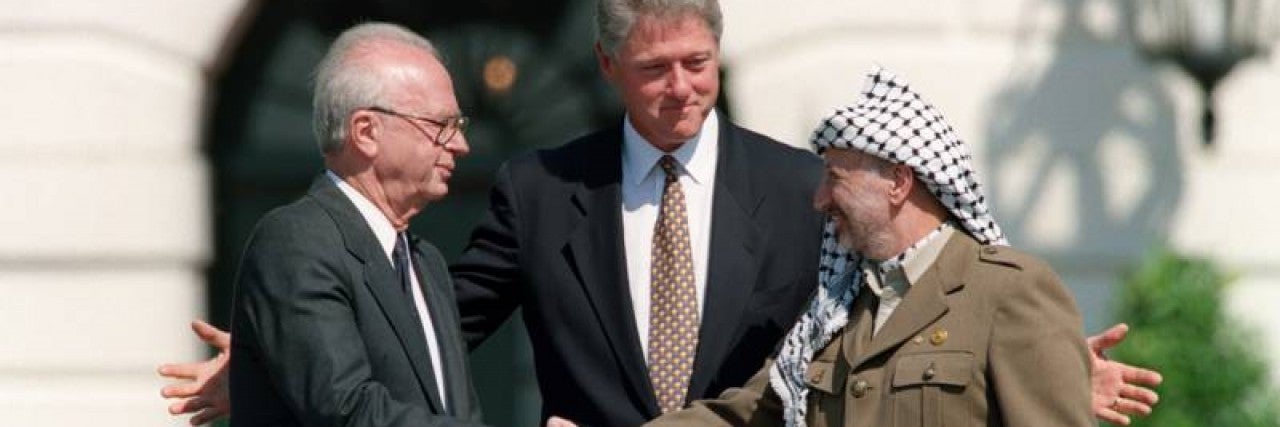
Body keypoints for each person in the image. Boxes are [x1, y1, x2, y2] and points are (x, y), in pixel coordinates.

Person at [160, 1, 1162, 426]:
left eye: (698, 63)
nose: (681, 87)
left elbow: (887, 316)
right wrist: (270, 359)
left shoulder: (793, 184)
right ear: (607, 68)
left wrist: (1044, 363)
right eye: (654, 68)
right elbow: (429, 322)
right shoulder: (542, 187)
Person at [624, 67, 1096, 427]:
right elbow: (743, 416)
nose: (819, 198)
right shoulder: (836, 308)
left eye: (835, 178)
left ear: (897, 182)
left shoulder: (1008, 292)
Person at [222, 22, 486, 426]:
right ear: (366, 132)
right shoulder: (297, 241)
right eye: (441, 126)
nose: (460, 144)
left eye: (459, 127)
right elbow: (346, 410)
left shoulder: (424, 261)